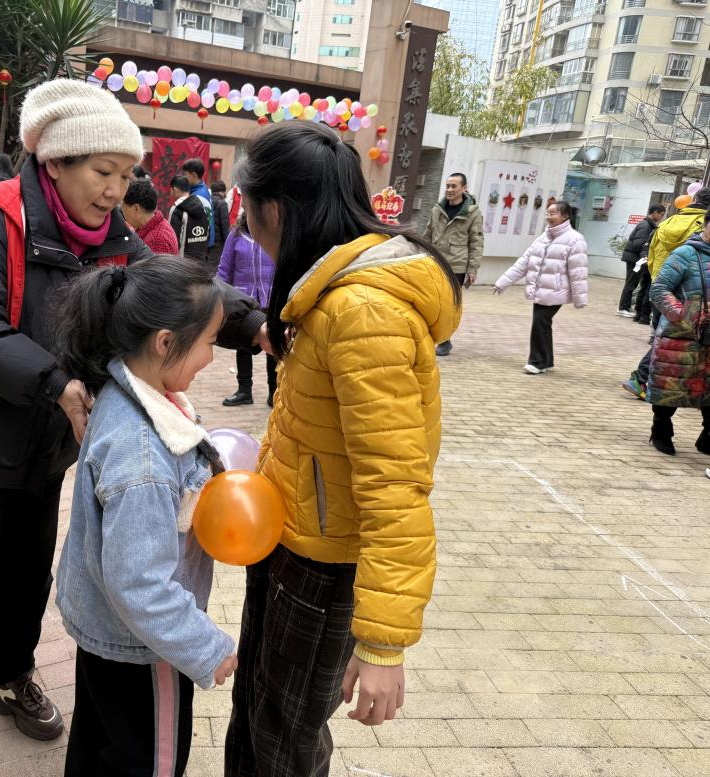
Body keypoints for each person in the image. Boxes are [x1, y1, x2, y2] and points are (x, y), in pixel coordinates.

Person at [0, 79, 265, 777]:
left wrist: (255, 324)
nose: (116, 190)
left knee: (26, 576)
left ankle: (9, 676)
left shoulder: (110, 236)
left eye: (126, 175)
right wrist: (56, 383)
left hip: (42, 440)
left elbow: (177, 292)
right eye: (103, 172)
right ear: (54, 162)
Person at [224, 122, 462, 777]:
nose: (246, 226)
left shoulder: (362, 313)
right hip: (290, 540)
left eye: (247, 208)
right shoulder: (326, 293)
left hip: (324, 568)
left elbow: (394, 484)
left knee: (285, 741)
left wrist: (383, 642)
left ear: (275, 209)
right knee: (259, 711)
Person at [54, 256, 238, 777]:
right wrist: (207, 648)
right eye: (209, 341)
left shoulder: (127, 394)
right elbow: (139, 584)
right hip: (146, 647)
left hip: (105, 630)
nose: (210, 357)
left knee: (98, 742)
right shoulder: (145, 457)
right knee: (149, 760)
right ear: (164, 342)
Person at [622, 189, 710, 399]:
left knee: (664, 340)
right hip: (688, 300)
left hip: (663, 287)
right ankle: (646, 380)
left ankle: (644, 380)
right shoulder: (700, 226)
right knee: (672, 344)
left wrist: (655, 278)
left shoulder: (668, 222)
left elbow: (651, 253)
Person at [493, 201, 588, 375]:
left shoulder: (575, 239)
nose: (549, 217)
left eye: (553, 213)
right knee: (542, 323)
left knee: (540, 322)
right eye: (548, 213)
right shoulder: (542, 238)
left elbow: (578, 271)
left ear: (565, 216)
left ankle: (537, 362)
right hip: (540, 290)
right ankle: (546, 360)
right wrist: (503, 282)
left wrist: (580, 298)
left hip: (556, 292)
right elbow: (523, 263)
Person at [646, 218, 710, 456]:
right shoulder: (685, 254)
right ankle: (661, 430)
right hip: (681, 334)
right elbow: (659, 289)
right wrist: (683, 314)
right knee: (671, 385)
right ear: (705, 224)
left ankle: (707, 436)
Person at [216, 213, 277, 407]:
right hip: (243, 301)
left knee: (273, 345)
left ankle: (274, 392)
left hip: (271, 298)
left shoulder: (274, 234)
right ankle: (244, 390)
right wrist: (220, 298)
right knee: (243, 345)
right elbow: (224, 269)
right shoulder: (236, 235)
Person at [422, 172, 483, 356]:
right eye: (447, 186)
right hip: (435, 262)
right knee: (432, 301)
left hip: (457, 266)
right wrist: (420, 254)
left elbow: (476, 241)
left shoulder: (472, 213)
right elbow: (428, 234)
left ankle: (445, 340)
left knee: (449, 305)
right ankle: (431, 336)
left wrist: (472, 268)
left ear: (464, 188)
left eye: (454, 186)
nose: (449, 189)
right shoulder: (437, 209)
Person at [617, 205, 665, 318]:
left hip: (636, 258)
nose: (662, 217)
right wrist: (646, 255)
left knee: (632, 283)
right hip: (635, 259)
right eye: (661, 214)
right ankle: (623, 308)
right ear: (655, 212)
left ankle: (625, 307)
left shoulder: (648, 224)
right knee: (631, 283)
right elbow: (639, 244)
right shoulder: (645, 225)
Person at [122, 178, 179, 255]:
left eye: (124, 209)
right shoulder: (151, 227)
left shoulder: (157, 240)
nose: (123, 214)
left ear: (136, 208)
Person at [170, 176, 210, 261]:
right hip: (200, 262)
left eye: (170, 190)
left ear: (175, 190)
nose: (170, 193)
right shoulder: (202, 206)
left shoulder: (176, 209)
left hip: (182, 263)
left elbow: (172, 239)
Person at [181, 158, 214, 249]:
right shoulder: (200, 189)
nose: (184, 178)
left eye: (185, 174)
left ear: (194, 175)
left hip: (200, 243)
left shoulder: (199, 195)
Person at [208, 180, 231, 268]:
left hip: (208, 239)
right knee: (214, 266)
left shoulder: (207, 200)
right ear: (223, 192)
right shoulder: (222, 203)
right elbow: (225, 227)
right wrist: (228, 244)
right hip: (217, 242)